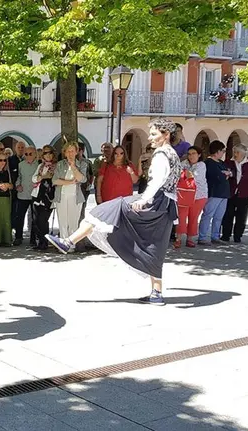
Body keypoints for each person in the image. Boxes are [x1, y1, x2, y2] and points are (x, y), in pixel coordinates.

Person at [45, 118, 183, 306]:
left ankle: (69, 241)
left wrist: (143, 199)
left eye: (153, 133)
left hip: (155, 201)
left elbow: (157, 180)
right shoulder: (172, 153)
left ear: (165, 135)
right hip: (166, 206)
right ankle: (156, 293)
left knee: (105, 211)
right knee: (154, 245)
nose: (150, 137)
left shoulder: (161, 154)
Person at [221, 144, 248, 243]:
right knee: (228, 215)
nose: (235, 154)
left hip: (245, 193)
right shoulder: (229, 162)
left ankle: (238, 236)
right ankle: (225, 235)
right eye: (234, 152)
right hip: (231, 192)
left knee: (242, 216)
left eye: (237, 152)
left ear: (243, 153)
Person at [52, 142, 89, 241]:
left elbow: (82, 179)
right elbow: (55, 180)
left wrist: (73, 167)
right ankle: (63, 243)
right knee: (62, 222)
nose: (70, 153)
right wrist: (70, 182)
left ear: (76, 152)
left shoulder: (82, 164)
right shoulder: (60, 164)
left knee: (73, 222)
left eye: (72, 151)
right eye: (68, 151)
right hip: (62, 196)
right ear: (65, 153)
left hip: (75, 197)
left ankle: (71, 244)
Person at [198, 140, 230, 246]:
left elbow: (229, 172)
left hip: (223, 193)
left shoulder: (221, 162)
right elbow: (216, 176)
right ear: (217, 151)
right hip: (214, 192)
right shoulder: (208, 163)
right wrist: (224, 174)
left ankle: (215, 236)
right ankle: (202, 237)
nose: (223, 153)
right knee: (208, 215)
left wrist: (227, 173)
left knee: (219, 216)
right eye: (223, 151)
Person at [175, 146, 207, 249]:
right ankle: (178, 239)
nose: (191, 156)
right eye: (189, 154)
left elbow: (193, 175)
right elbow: (176, 173)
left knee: (193, 218)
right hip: (184, 194)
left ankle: (190, 239)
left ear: (199, 155)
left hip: (199, 195)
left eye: (193, 153)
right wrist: (184, 173)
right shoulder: (184, 163)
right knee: (181, 217)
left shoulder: (202, 165)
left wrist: (183, 173)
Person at [31, 145, 57, 250]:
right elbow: (34, 178)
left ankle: (44, 242)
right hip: (37, 195)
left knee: (43, 220)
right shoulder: (41, 166)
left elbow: (55, 179)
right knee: (36, 220)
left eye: (50, 152)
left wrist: (42, 178)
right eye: (45, 153)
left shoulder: (57, 166)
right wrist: (42, 177)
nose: (48, 155)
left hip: (49, 197)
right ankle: (40, 242)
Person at [14, 146, 38, 246]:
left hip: (34, 194)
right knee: (19, 217)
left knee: (34, 218)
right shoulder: (21, 165)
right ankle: (18, 237)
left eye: (30, 154)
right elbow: (19, 176)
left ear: (35, 155)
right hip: (22, 194)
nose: (28, 156)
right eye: (26, 154)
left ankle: (33, 239)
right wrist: (17, 185)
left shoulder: (39, 165)